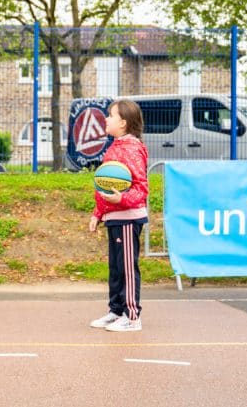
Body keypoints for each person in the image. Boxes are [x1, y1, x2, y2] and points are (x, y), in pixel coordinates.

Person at [87, 99, 149, 332]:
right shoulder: (114, 147)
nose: (106, 119)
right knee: (115, 267)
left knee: (127, 268)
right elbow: (103, 186)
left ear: (123, 123)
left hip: (128, 216)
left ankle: (132, 316)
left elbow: (141, 188)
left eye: (110, 116)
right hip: (113, 215)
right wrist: (98, 212)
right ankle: (116, 311)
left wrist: (121, 199)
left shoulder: (132, 149)